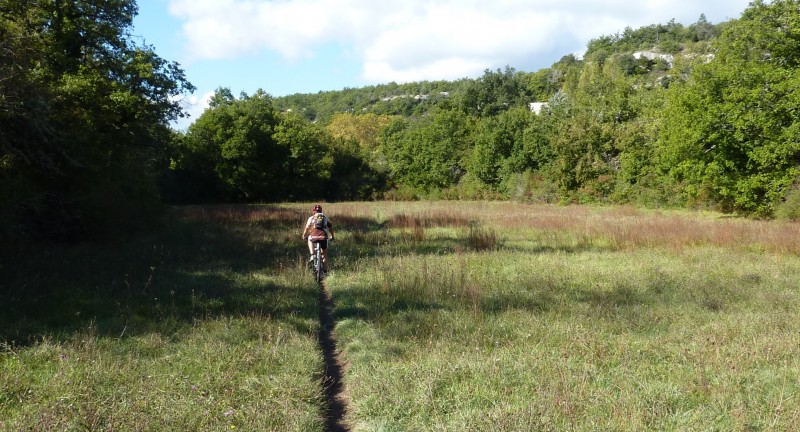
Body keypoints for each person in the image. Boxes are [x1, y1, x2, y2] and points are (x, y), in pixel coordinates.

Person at [301, 204, 335, 269]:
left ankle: (312, 255)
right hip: (324, 237)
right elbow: (330, 227)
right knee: (324, 254)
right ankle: (325, 270)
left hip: (313, 236)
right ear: (321, 211)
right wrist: (332, 236)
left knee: (309, 239)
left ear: (314, 211)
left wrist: (304, 235)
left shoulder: (311, 218)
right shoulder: (325, 217)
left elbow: (307, 228)